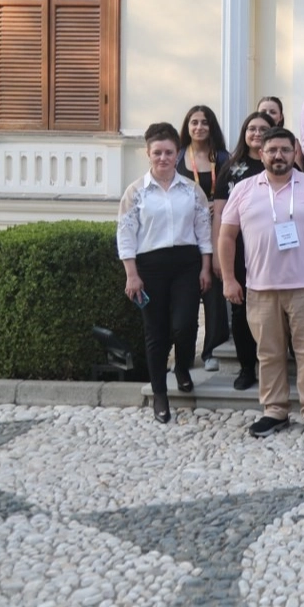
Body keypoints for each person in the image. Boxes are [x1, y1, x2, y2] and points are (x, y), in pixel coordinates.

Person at [218, 127, 304, 440]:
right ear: (261, 154)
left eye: (285, 150)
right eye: (272, 150)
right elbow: (227, 235)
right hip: (261, 288)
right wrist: (230, 279)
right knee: (269, 354)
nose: (278, 156)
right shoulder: (244, 189)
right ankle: (275, 411)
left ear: (295, 152)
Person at [117, 122, 214, 424]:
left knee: (185, 325)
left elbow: (203, 231)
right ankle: (160, 392)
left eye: (169, 152)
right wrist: (132, 274)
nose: (163, 158)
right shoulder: (135, 192)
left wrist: (206, 267)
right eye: (157, 152)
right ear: (148, 153)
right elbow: (126, 235)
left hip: (186, 264)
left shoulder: (192, 190)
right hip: (150, 267)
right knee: (155, 332)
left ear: (177, 154)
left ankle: (182, 367)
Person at [214, 111, 271, 391]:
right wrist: (218, 255)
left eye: (263, 129)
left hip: (273, 250)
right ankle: (247, 367)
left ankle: (273, 366)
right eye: (252, 128)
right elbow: (220, 213)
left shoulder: (280, 160)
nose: (257, 133)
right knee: (240, 310)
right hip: (238, 249)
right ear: (244, 133)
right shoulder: (231, 168)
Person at [179, 104, 230, 372]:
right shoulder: (177, 157)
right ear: (187, 127)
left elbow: (233, 192)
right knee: (186, 295)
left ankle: (212, 350)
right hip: (186, 234)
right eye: (194, 122)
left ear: (212, 127)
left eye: (204, 122)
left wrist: (217, 205)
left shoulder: (223, 158)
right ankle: (184, 354)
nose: (199, 127)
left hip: (215, 230)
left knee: (214, 293)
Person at [257, 95, 304, 168]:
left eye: (273, 112)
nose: (267, 115)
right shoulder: (253, 140)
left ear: (280, 117)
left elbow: (299, 170)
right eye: (263, 112)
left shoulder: (292, 142)